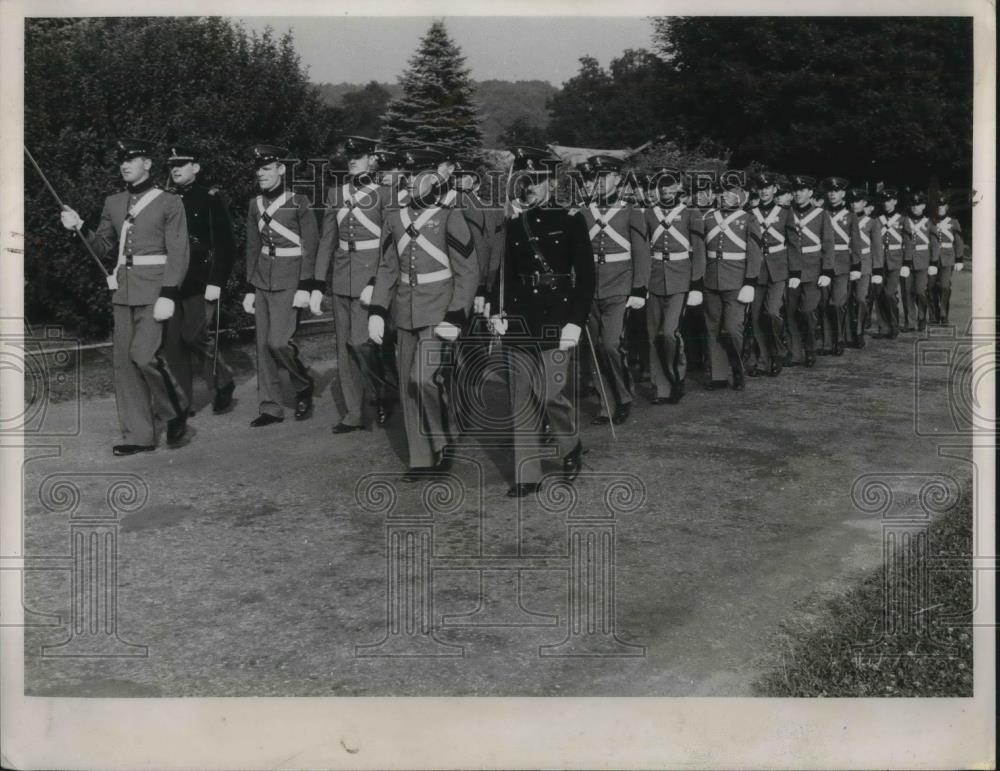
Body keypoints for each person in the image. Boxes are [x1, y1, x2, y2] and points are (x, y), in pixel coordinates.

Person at [59, 138, 190, 455]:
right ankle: (139, 436)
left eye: (132, 158)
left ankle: (176, 410)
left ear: (147, 163)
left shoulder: (169, 202)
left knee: (144, 355)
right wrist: (80, 228)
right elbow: (103, 248)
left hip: (156, 289)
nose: (125, 164)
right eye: (122, 159)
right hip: (123, 290)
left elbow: (178, 251)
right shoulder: (113, 202)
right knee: (124, 365)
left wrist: (169, 293)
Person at [488, 146, 596, 497]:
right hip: (519, 315)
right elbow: (503, 273)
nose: (528, 187)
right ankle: (527, 473)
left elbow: (587, 277)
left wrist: (575, 322)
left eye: (535, 180)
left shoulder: (570, 218)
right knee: (520, 395)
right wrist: (496, 311)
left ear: (551, 181)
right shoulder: (513, 222)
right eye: (523, 181)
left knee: (549, 392)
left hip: (557, 314)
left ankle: (570, 445)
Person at [366, 146, 479, 481]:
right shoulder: (394, 216)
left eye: (418, 174)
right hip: (405, 310)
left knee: (423, 378)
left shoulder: (449, 215)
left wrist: (457, 313)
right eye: (407, 173)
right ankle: (421, 458)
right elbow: (387, 267)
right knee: (407, 384)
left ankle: (442, 438)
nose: (411, 180)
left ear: (434, 176)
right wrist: (376, 309)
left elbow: (467, 270)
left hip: (439, 310)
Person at [311, 136, 397, 433]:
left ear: (373, 159)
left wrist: (376, 281)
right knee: (345, 348)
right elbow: (327, 241)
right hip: (342, 275)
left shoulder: (386, 194)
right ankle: (353, 413)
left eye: (359, 156)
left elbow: (391, 243)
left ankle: (384, 391)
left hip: (370, 277)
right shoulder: (336, 194)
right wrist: (317, 283)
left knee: (363, 343)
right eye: (350, 157)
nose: (353, 161)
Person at [242, 144, 318, 427]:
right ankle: (270, 407)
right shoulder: (254, 204)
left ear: (281, 169)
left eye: (267, 168)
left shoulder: (299, 201)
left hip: (290, 279)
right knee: (263, 345)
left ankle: (302, 384)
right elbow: (252, 247)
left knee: (278, 342)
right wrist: (249, 287)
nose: (261, 174)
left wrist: (306, 286)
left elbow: (310, 245)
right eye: (258, 169)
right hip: (263, 278)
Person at [574, 154, 651, 424]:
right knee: (595, 346)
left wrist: (640, 289)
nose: (598, 182)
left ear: (618, 180)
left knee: (610, 344)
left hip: (620, 285)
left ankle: (624, 395)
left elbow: (641, 253)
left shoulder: (632, 212)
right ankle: (608, 403)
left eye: (604, 176)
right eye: (593, 177)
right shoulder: (583, 212)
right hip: (590, 287)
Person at [161, 144, 237, 414]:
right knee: (173, 343)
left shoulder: (209, 198)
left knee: (194, 336)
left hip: (199, 279)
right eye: (172, 165)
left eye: (182, 164)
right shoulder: (164, 199)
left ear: (196, 168)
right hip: (171, 280)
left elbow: (225, 244)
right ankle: (183, 403)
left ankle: (223, 380)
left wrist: (217, 281)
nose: (176, 169)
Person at [643, 169, 705, 402]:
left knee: (669, 333)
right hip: (654, 277)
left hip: (681, 279)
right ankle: (661, 388)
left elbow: (698, 250)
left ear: (679, 187)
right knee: (653, 336)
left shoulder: (691, 213)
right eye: (662, 185)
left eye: (671, 185)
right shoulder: (649, 213)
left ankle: (677, 375)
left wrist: (697, 284)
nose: (666, 190)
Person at [700, 176, 763, 390]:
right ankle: (718, 375)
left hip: (737, 281)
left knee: (733, 328)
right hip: (711, 279)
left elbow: (755, 253)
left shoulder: (749, 219)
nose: (725, 195)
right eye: (722, 191)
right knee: (712, 328)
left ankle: (737, 367)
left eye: (731, 191)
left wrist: (750, 282)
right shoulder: (708, 217)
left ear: (741, 195)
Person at [785, 175, 835, 368]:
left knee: (807, 311)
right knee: (789, 312)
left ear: (811, 193)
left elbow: (829, 244)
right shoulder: (785, 213)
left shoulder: (821, 215)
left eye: (803, 190)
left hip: (813, 269)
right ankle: (795, 353)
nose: (798, 193)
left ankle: (811, 348)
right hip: (790, 269)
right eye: (796, 190)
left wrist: (827, 271)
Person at [747, 171, 793, 376]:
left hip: (779, 268)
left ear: (775, 189)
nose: (764, 190)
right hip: (756, 269)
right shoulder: (749, 212)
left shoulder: (785, 213)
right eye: (760, 187)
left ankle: (777, 352)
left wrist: (796, 272)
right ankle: (762, 360)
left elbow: (793, 244)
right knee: (756, 316)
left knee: (772, 312)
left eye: (768, 187)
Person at [820, 176, 853, 356]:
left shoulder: (850, 217)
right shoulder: (819, 214)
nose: (832, 194)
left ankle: (839, 338)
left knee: (837, 303)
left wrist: (856, 267)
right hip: (823, 263)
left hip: (842, 264)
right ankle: (827, 342)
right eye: (830, 191)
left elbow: (856, 244)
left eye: (836, 191)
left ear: (843, 193)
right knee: (825, 303)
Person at [845, 188, 882, 348]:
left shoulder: (872, 223)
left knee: (860, 299)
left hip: (865, 265)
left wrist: (878, 270)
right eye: (852, 201)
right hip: (845, 263)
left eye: (858, 201)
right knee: (845, 299)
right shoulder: (843, 219)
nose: (854, 204)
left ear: (864, 203)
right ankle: (846, 333)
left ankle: (859, 331)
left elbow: (877, 247)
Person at [928, 194, 966, 324]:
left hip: (948, 257)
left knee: (944, 286)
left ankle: (944, 313)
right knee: (931, 287)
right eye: (938, 205)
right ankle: (934, 315)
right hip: (932, 258)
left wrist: (959, 259)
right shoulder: (931, 221)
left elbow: (959, 241)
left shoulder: (953, 222)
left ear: (947, 207)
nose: (940, 207)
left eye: (943, 205)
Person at [901, 190, 936, 331]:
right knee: (907, 292)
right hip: (906, 261)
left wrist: (933, 262)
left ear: (923, 206)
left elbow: (934, 243)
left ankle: (922, 316)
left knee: (921, 291)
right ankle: (910, 322)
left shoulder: (929, 222)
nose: (915, 207)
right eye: (913, 204)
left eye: (919, 204)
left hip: (923, 261)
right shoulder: (904, 221)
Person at [875, 188, 905, 338]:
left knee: (889, 294)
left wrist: (906, 262)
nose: (886, 203)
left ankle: (894, 325)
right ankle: (884, 327)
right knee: (879, 293)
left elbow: (908, 241)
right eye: (884, 201)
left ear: (895, 201)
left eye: (889, 200)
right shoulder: (877, 220)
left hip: (896, 260)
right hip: (879, 261)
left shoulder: (902, 220)